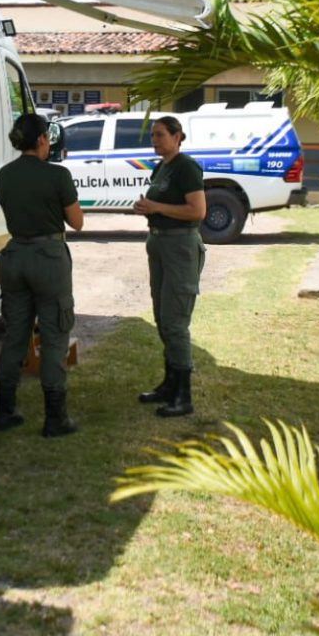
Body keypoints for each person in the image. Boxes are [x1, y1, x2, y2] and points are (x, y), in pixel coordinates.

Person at [0, 113, 85, 437]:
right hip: (48, 260)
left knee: (15, 336)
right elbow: (77, 222)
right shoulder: (58, 175)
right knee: (54, 335)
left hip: (14, 257)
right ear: (43, 139)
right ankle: (55, 418)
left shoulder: (4, 175)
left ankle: (4, 412)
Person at [131, 115, 205, 417]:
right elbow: (160, 203)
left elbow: (197, 211)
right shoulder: (162, 167)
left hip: (180, 247)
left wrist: (157, 207)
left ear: (177, 137)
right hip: (159, 243)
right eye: (153, 135)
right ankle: (169, 385)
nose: (155, 140)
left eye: (160, 135)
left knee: (175, 321)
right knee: (162, 317)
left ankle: (183, 397)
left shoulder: (187, 167)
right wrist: (147, 208)